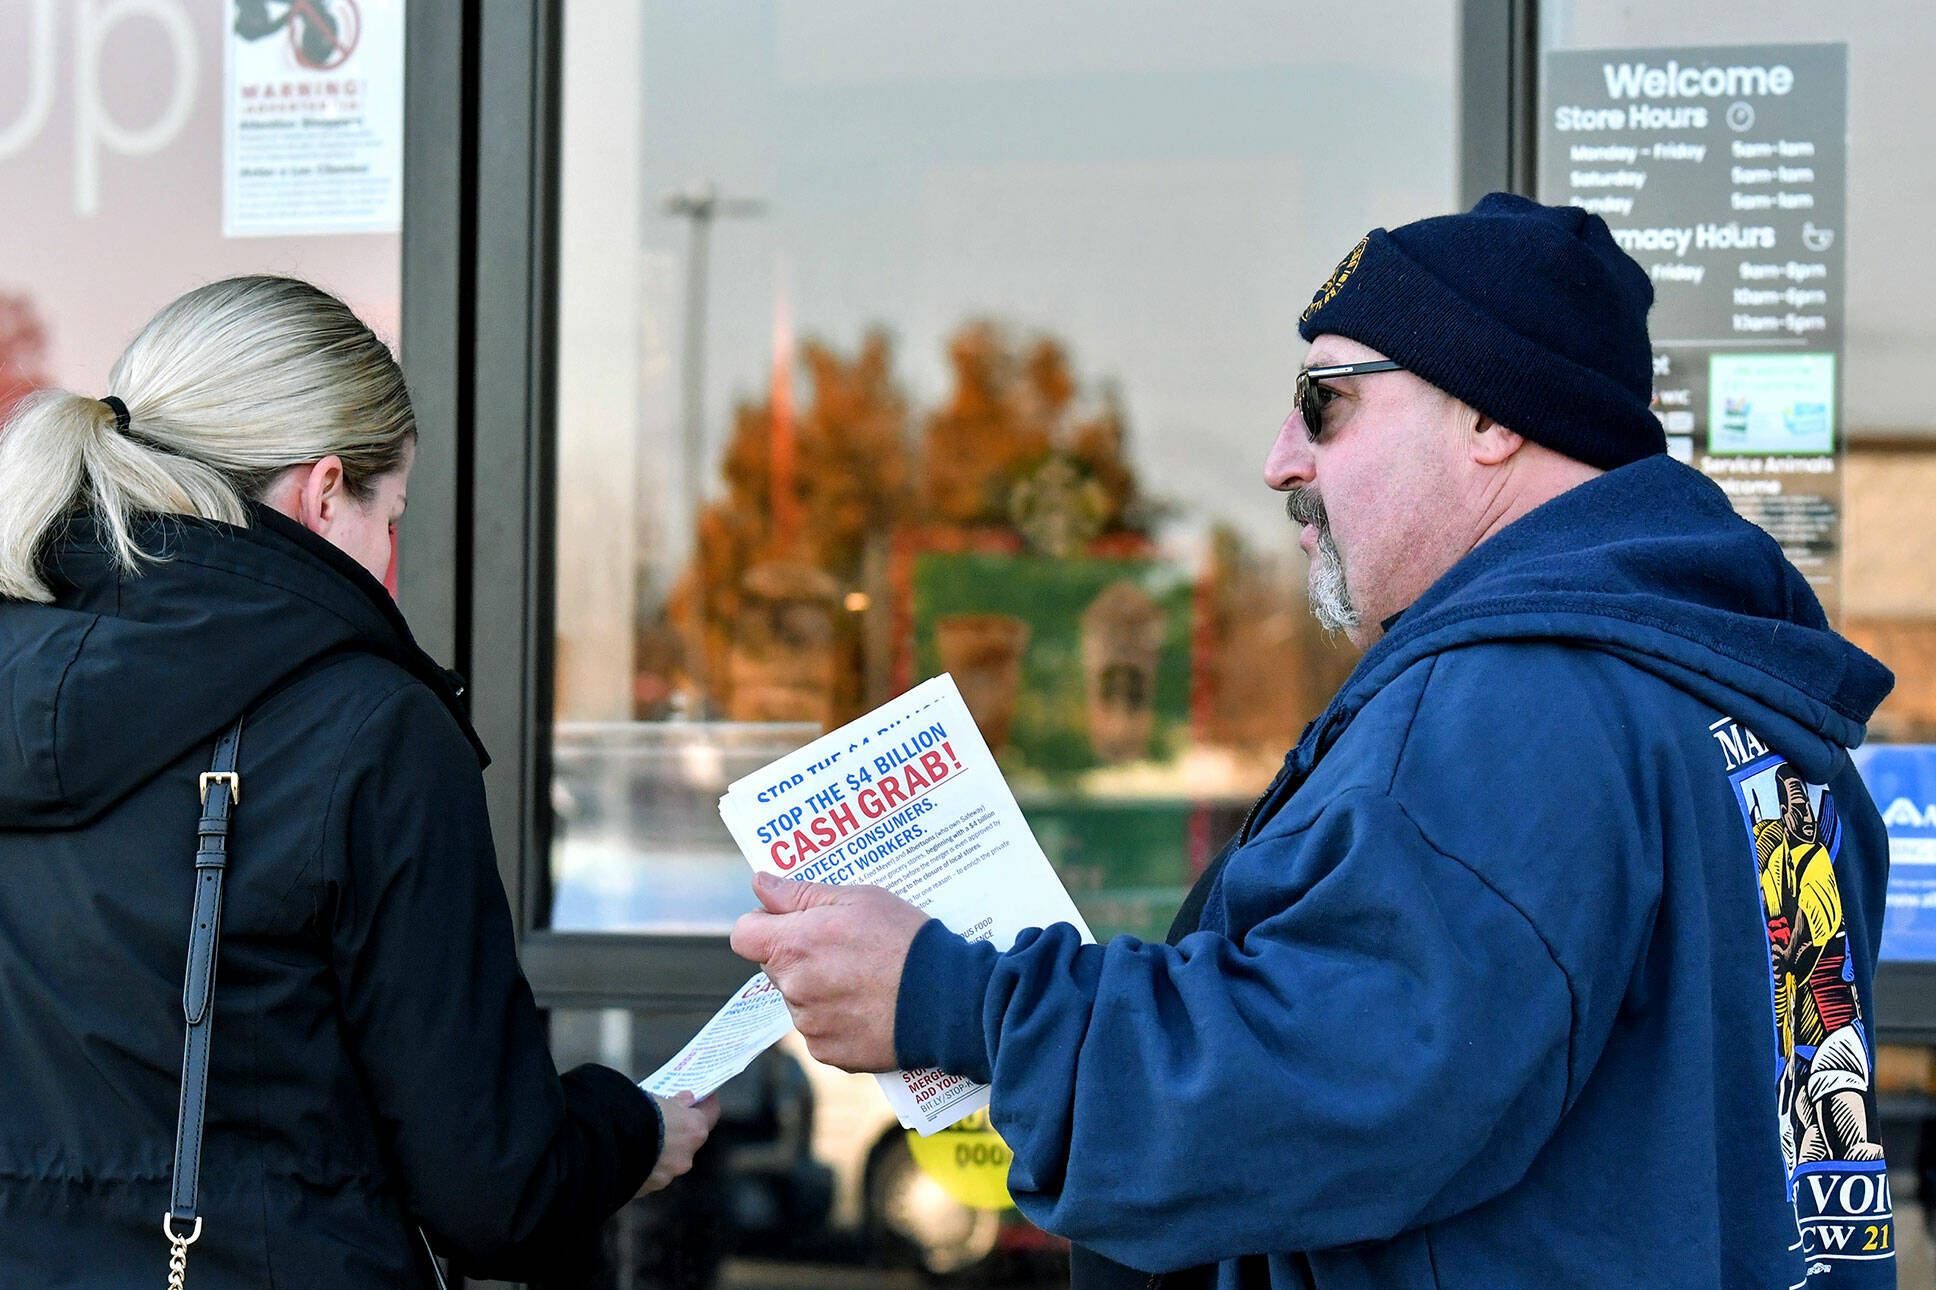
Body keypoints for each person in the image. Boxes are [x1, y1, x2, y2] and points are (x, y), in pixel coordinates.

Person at [730, 195, 1899, 1289]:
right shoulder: (1746, 712)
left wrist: (950, 999)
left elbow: (1312, 1096)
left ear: (1490, 415)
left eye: (1325, 399)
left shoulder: (1515, 702)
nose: (1281, 459)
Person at [0, 276, 717, 1288]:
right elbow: (494, 1192)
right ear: (324, 492)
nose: (391, 560)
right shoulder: (372, 735)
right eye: (394, 519)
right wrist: (632, 1131)